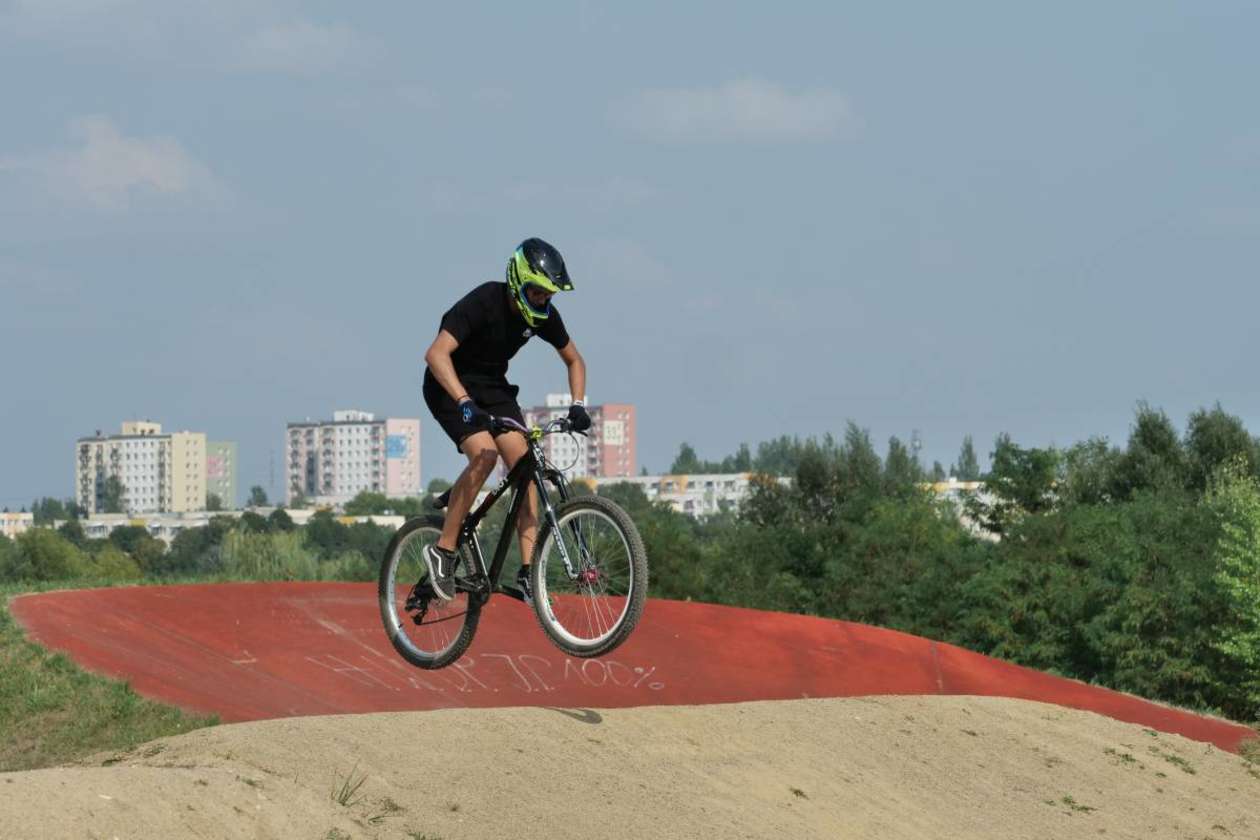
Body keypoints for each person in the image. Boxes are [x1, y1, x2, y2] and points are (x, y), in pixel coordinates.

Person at [421, 237, 592, 603]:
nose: (544, 300)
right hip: (449, 385)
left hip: (493, 390)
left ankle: (529, 573)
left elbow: (575, 360)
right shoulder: (484, 301)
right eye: (537, 292)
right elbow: (435, 354)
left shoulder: (544, 316)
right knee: (485, 455)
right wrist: (464, 401)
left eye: (549, 295)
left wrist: (578, 404)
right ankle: (443, 551)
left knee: (526, 466)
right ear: (518, 280)